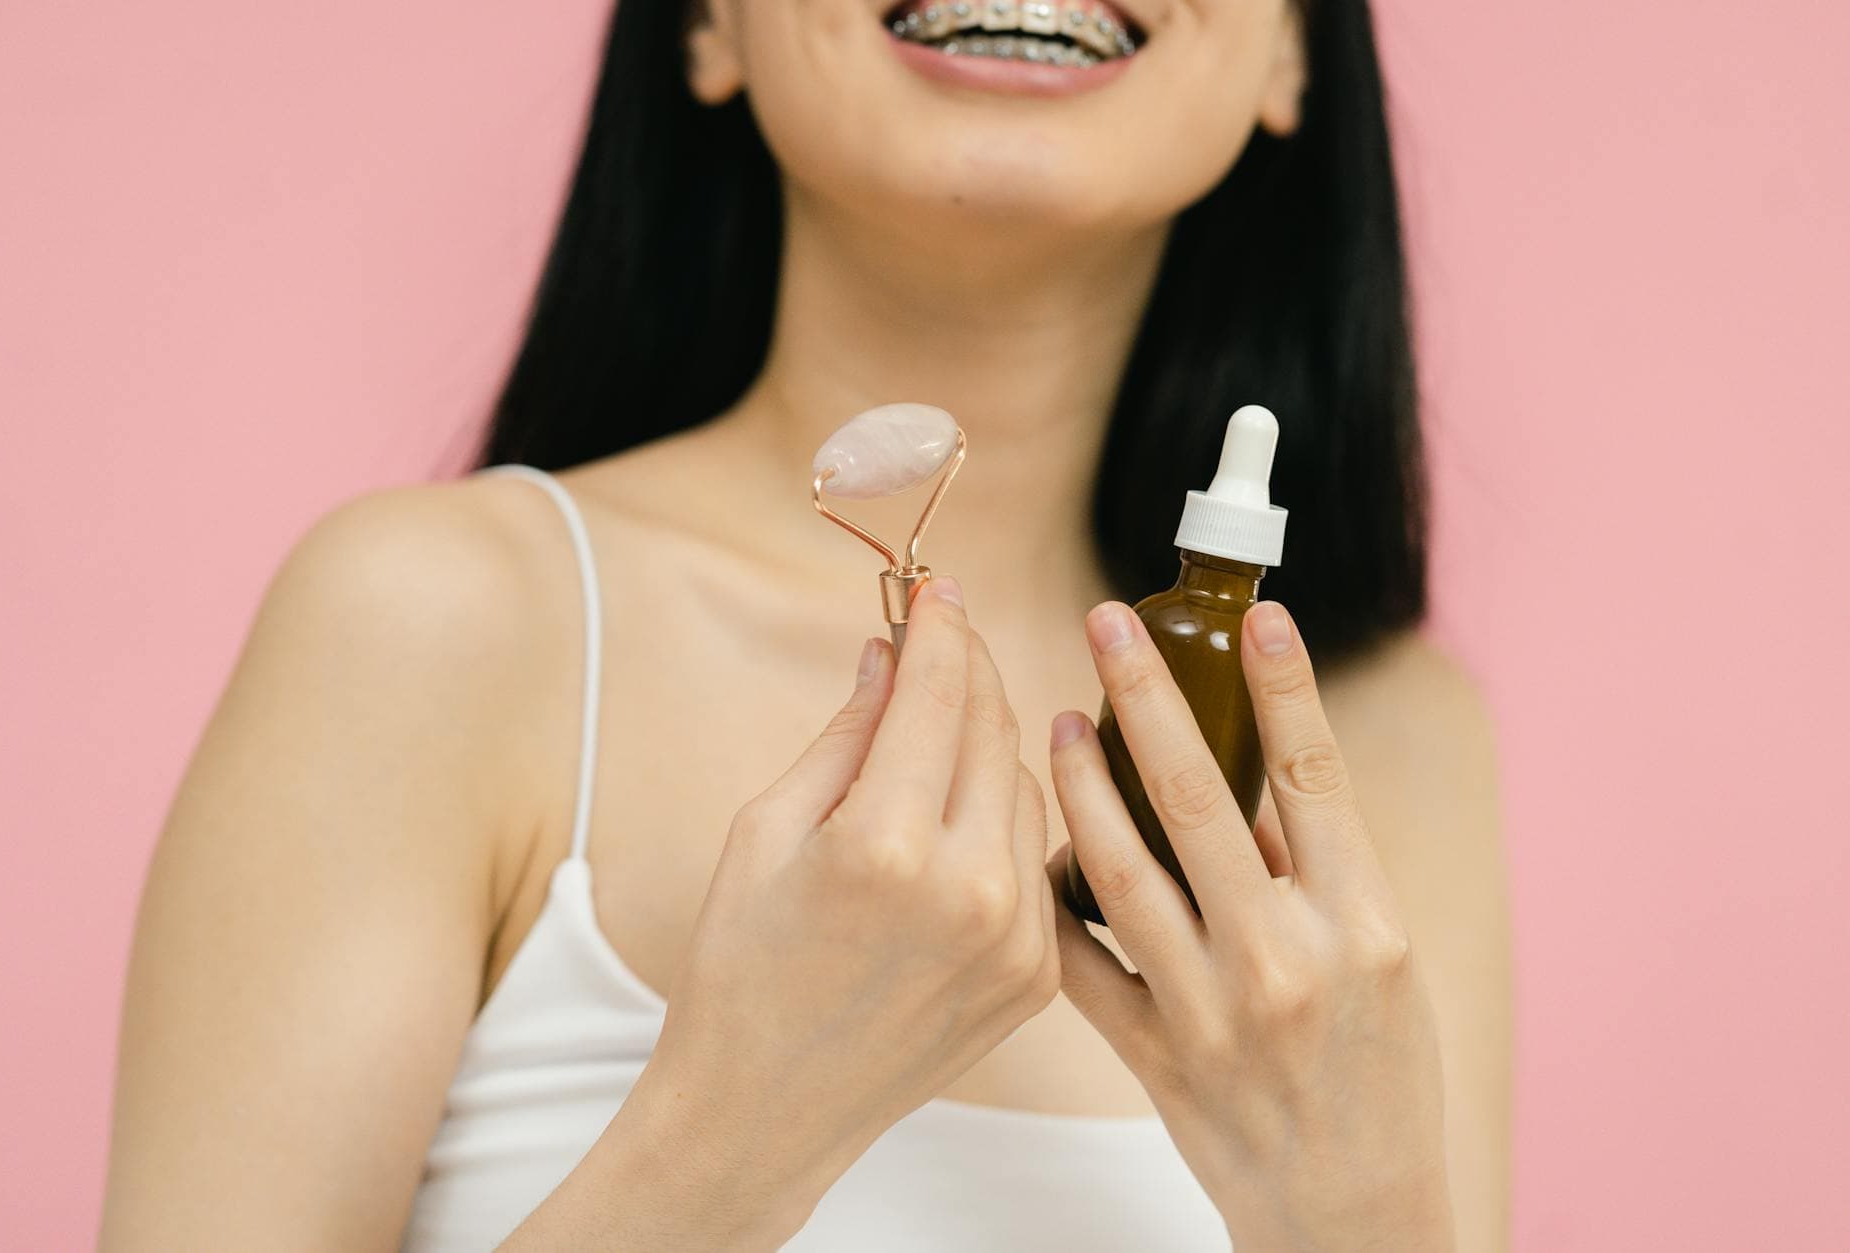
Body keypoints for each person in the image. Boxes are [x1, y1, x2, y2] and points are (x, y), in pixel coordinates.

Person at [100, 0, 1511, 1248]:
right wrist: (742, 1123)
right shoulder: (432, 624)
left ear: (1290, 47)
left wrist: (1365, 1220)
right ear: (705, 24)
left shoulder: (1389, 738)